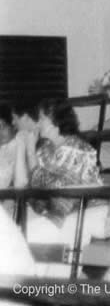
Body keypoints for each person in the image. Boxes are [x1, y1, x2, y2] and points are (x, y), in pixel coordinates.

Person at [14, 100, 104, 274]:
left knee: (31, 237)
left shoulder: (78, 148)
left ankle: (31, 291)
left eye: (42, 119)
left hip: (80, 211)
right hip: (53, 212)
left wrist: (32, 157)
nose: (38, 123)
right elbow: (25, 186)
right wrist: (22, 147)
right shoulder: (45, 148)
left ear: (57, 122)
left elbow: (57, 189)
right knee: (17, 234)